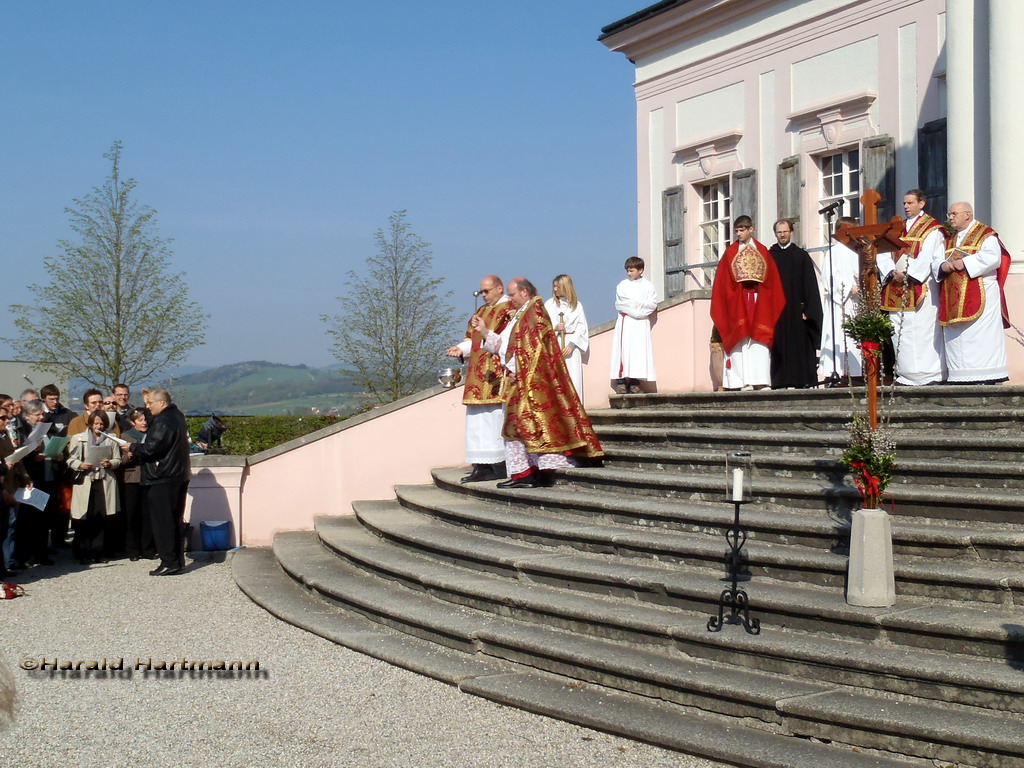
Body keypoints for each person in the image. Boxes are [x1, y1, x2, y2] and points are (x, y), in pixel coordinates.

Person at [473, 277, 603, 489]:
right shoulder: (522, 315)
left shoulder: (535, 314)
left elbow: (532, 351)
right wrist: (485, 331)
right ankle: (523, 473)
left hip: (533, 383)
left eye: (512, 295)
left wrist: (517, 370)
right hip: (521, 381)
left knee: (534, 426)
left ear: (524, 293)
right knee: (516, 427)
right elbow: (505, 345)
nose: (510, 299)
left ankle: (538, 473)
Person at [875, 190, 946, 385]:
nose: (906, 206)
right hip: (895, 285)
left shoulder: (932, 229)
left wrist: (909, 275)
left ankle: (929, 374)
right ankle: (905, 374)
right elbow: (882, 251)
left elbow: (929, 256)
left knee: (923, 330)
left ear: (921, 204)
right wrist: (891, 272)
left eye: (910, 203)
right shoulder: (897, 228)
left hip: (919, 285)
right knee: (900, 330)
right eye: (904, 203)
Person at [935, 202, 1011, 384]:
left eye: (954, 214)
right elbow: (936, 259)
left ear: (967, 214)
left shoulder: (985, 235)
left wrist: (966, 263)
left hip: (981, 293)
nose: (950, 218)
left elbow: (993, 258)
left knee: (981, 337)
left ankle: (987, 375)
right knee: (957, 338)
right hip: (954, 294)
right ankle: (959, 374)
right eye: (949, 214)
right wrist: (942, 265)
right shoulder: (951, 239)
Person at [445, 275, 510, 484]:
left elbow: (503, 339)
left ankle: (499, 464)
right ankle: (480, 465)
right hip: (477, 371)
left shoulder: (509, 309)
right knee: (476, 420)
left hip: (495, 373)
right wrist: (460, 348)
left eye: (487, 291)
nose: (483, 296)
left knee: (493, 418)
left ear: (499, 288)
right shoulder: (481, 311)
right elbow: (471, 338)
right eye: (481, 291)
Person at [710, 215, 786, 390]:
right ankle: (742, 380)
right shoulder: (730, 253)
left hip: (759, 300)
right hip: (738, 301)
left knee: (758, 343)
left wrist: (759, 282)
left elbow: (772, 280)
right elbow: (723, 282)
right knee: (741, 341)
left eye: (742, 230)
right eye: (736, 231)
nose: (739, 234)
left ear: (751, 229)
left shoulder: (762, 250)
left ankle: (760, 380)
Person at [121, 389, 191, 575]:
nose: (147, 406)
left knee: (163, 522)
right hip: (178, 475)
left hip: (162, 477)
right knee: (174, 520)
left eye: (150, 403)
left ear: (161, 403)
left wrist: (133, 447)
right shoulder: (177, 416)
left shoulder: (163, 421)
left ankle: (168, 561)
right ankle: (177, 560)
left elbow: (152, 449)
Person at [769, 219, 823, 388]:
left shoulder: (801, 256)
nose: (782, 235)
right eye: (779, 232)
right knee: (779, 344)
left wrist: (808, 308)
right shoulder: (770, 256)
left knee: (800, 344)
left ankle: (802, 380)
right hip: (777, 310)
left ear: (791, 232)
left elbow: (810, 285)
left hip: (797, 309)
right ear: (775, 234)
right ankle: (780, 381)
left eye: (785, 231)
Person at [67, 410, 121, 565]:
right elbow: (71, 459)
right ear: (90, 424)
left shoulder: (111, 439)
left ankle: (99, 552)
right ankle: (84, 552)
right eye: (96, 423)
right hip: (85, 481)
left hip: (103, 481)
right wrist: (80, 465)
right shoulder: (78, 438)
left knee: (101, 516)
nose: (99, 426)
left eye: (102, 423)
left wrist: (110, 463)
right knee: (85, 517)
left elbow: (117, 459)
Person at [818, 216, 864, 381]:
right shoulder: (833, 251)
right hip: (840, 303)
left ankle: (856, 371)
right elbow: (828, 278)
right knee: (839, 333)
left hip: (856, 302)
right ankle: (837, 371)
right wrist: (847, 288)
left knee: (854, 336)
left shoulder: (857, 249)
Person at [609, 257, 658, 394]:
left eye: (631, 270)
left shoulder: (648, 286)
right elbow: (622, 304)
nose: (629, 273)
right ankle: (621, 382)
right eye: (627, 271)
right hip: (627, 322)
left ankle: (635, 382)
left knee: (638, 352)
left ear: (640, 270)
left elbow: (652, 304)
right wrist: (638, 307)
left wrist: (637, 309)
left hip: (641, 323)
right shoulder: (622, 285)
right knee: (623, 351)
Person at [544, 274, 589, 400]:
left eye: (557, 286)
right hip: (555, 344)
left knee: (573, 378)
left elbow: (582, 327)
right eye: (553, 286)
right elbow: (542, 326)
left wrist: (572, 345)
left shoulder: (577, 305)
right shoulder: (549, 304)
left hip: (572, 348)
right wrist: (554, 328)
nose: (554, 289)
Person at [120, 408, 154, 561]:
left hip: (150, 476)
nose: (144, 422)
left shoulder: (153, 435)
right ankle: (133, 550)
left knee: (148, 514)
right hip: (132, 478)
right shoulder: (126, 436)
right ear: (133, 422)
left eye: (145, 419)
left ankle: (148, 549)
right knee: (132, 515)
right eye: (140, 420)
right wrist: (129, 455)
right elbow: (121, 460)